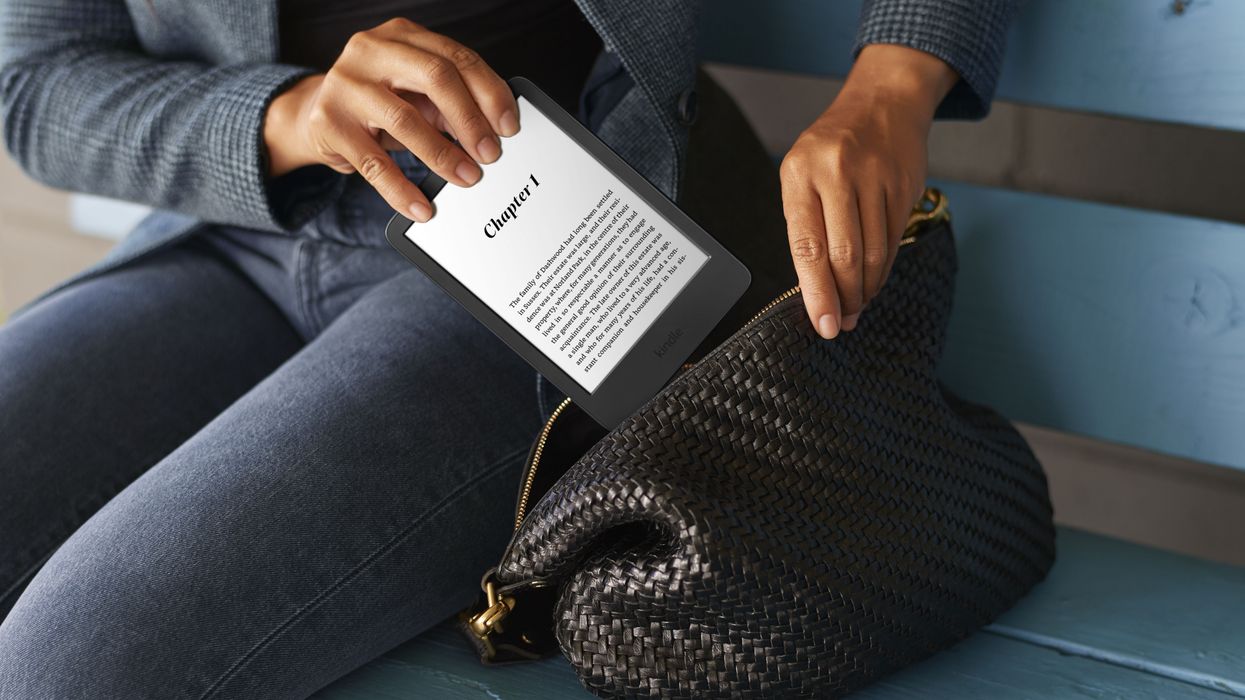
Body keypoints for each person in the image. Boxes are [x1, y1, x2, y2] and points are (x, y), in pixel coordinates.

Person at [0, 0, 1019, 696]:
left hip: (549, 257)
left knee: (64, 670)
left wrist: (893, 83)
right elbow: (37, 86)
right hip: (243, 227)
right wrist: (288, 114)